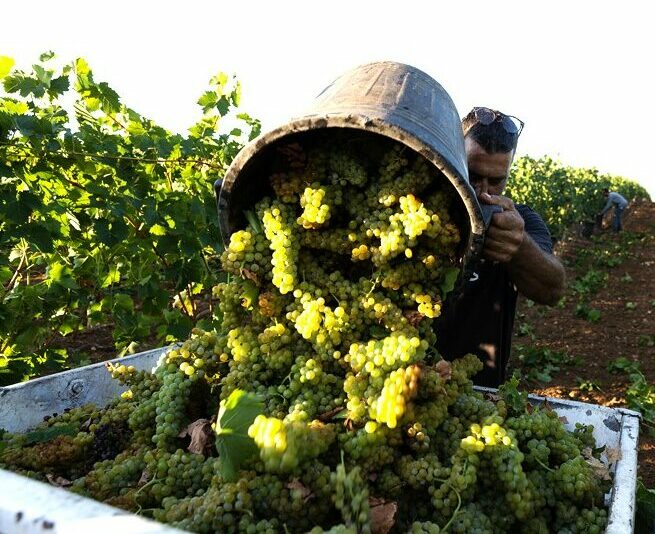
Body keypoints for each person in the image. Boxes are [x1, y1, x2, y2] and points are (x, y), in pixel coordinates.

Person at [435, 107, 566, 387]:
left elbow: (553, 290)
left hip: (481, 388)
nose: (483, 191)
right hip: (410, 379)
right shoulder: (423, 215)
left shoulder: (521, 221)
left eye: (495, 181)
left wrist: (519, 249)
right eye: (473, 175)